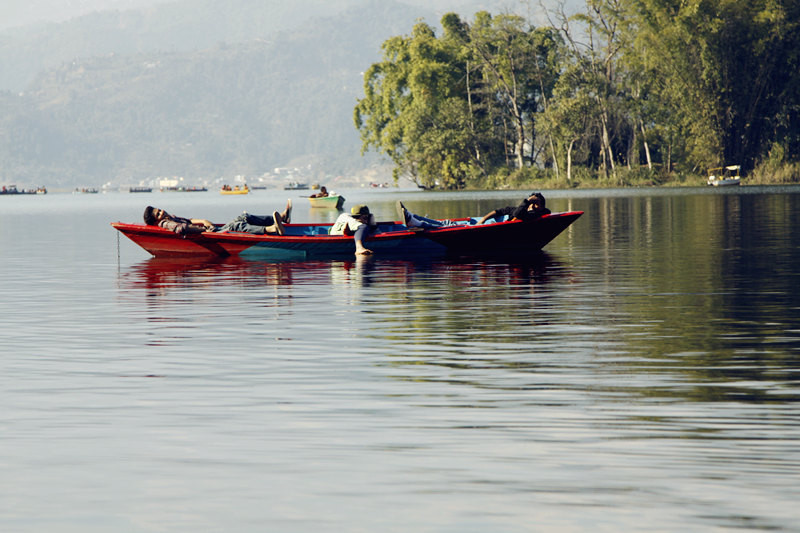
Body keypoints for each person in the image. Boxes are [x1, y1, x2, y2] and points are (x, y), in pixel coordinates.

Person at [396, 192, 551, 230]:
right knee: (445, 223)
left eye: (534, 204)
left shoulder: (532, 214)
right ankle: (414, 217)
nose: (531, 206)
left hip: (483, 230)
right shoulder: (521, 209)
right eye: (531, 203)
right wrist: (482, 220)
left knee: (447, 227)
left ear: (539, 206)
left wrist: (529, 202)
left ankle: (416, 222)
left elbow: (520, 215)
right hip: (480, 225)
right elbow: (499, 211)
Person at [216, 199, 292, 236]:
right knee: (235, 226)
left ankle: (282, 218)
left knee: (244, 217)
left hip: (218, 228)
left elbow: (206, 222)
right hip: (215, 232)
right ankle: (271, 228)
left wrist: (204, 224)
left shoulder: (208, 226)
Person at [143, 206, 215, 235]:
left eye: (159, 210)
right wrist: (204, 229)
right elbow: (182, 228)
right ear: (156, 222)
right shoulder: (164, 223)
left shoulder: (171, 218)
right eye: (158, 215)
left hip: (207, 230)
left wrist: (203, 221)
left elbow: (188, 221)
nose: (162, 212)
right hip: (204, 232)